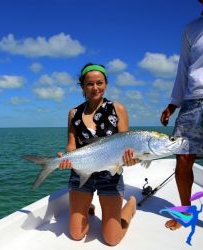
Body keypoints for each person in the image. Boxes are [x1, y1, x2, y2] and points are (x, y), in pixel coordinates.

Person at [57, 63, 137, 246]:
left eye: (99, 83)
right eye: (89, 84)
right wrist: (65, 157)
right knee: (76, 234)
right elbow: (71, 146)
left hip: (110, 176)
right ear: (83, 87)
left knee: (111, 239)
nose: (95, 88)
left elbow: (126, 144)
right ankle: (88, 205)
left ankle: (130, 204)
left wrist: (131, 159)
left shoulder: (118, 109)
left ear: (106, 84)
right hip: (81, 174)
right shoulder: (74, 113)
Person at [160, 0, 203, 231]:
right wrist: (173, 103)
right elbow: (184, 67)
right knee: (183, 158)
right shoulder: (191, 28)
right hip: (192, 101)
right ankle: (186, 212)